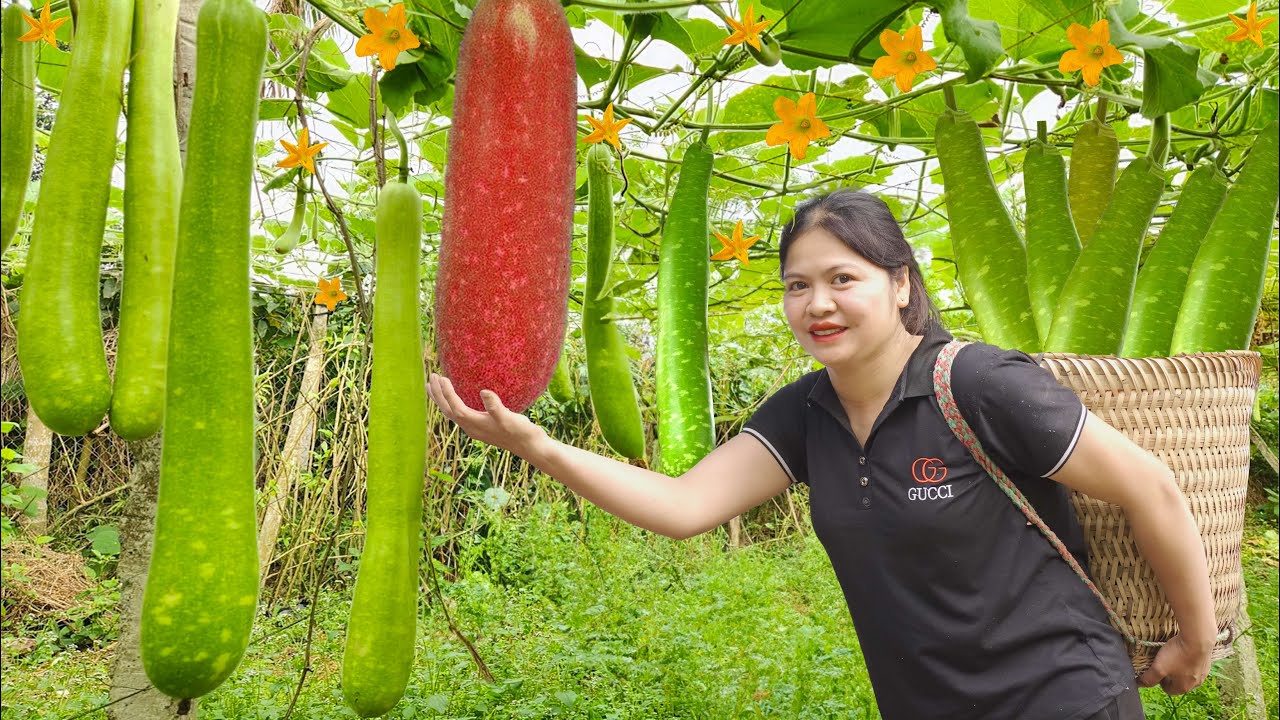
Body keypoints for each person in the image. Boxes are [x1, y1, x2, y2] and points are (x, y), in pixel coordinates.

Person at [427, 188, 1216, 720]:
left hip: (1061, 697)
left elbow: (1152, 489)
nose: (818, 304)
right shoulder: (806, 413)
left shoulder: (978, 383)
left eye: (844, 277)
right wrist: (536, 446)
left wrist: (1194, 640)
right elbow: (681, 507)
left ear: (900, 284)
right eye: (797, 285)